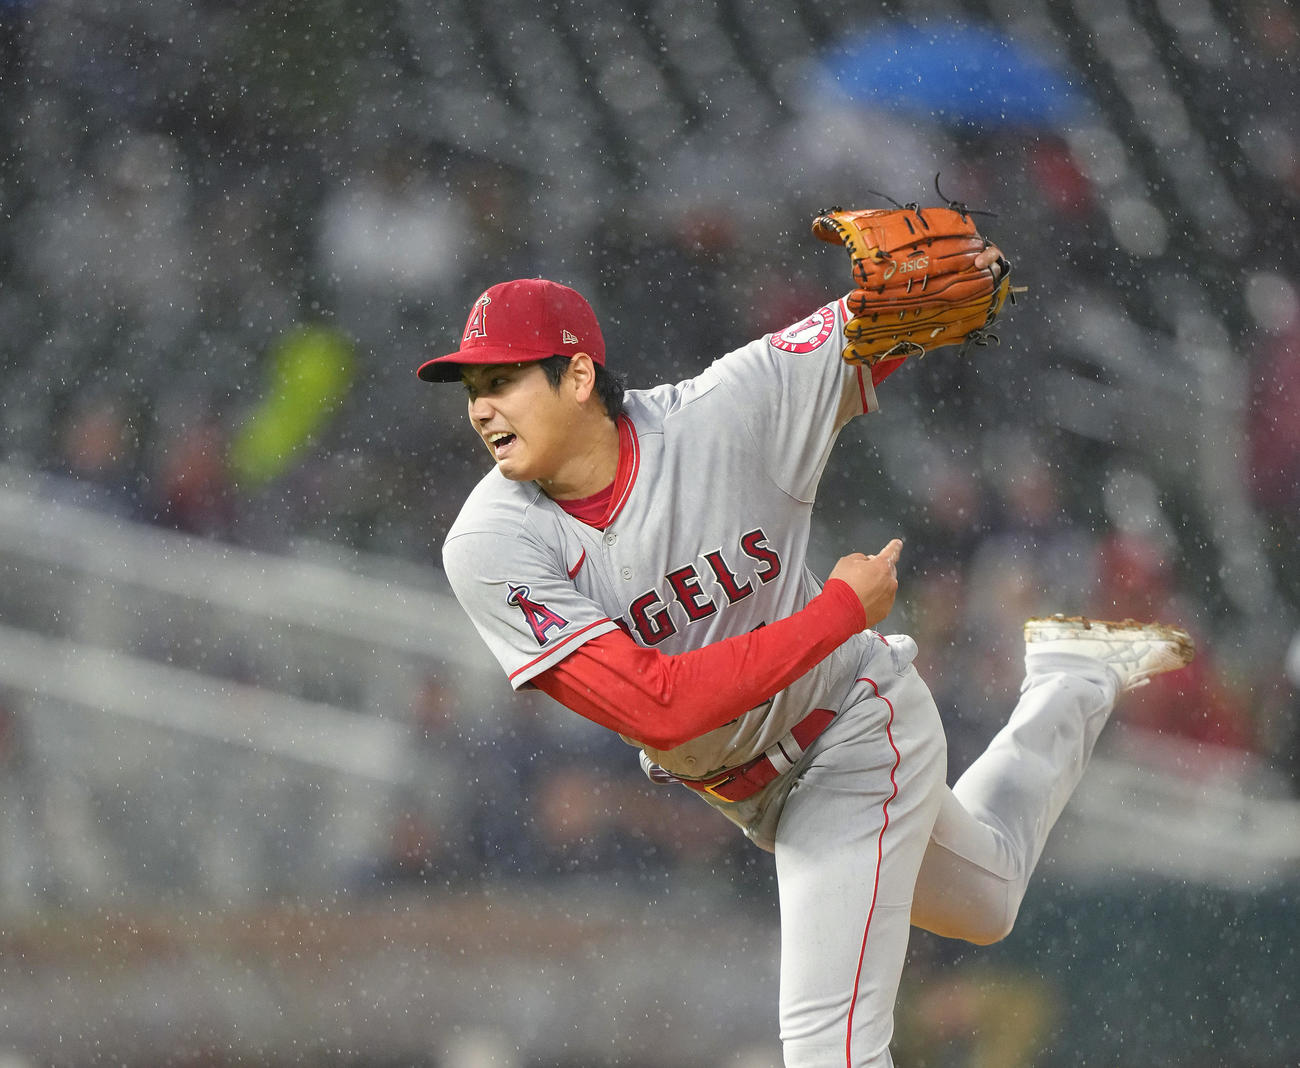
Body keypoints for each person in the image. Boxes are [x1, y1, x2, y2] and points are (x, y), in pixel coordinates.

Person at [418, 271, 1194, 1067]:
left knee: (831, 1050)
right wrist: (837, 612)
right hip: (747, 788)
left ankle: (1071, 676)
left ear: (579, 375)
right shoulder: (491, 543)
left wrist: (955, 262)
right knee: (987, 898)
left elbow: (898, 311)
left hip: (847, 728)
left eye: (502, 381)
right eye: (473, 389)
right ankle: (1073, 674)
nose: (481, 408)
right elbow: (660, 709)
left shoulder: (720, 413)